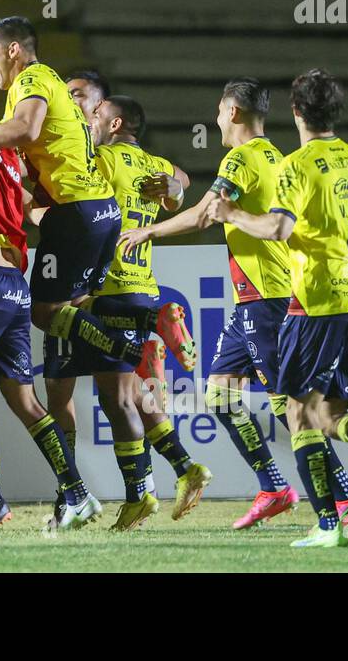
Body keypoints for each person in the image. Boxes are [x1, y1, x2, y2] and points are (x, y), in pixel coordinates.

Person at [206, 68, 348, 548]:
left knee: (296, 412)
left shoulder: (298, 165)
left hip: (315, 300)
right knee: (328, 415)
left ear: (295, 112)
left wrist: (231, 214)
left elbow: (277, 230)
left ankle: (328, 525)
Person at [0, 17, 138, 530]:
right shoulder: (54, 85)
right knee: (51, 338)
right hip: (94, 211)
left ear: (13, 50)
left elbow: (27, 129)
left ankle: (117, 343)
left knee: (43, 313)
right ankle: (72, 495)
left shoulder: (32, 81)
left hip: (77, 215)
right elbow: (43, 151)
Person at [120, 78, 303, 529]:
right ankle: (274, 486)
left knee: (292, 407)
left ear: (233, 112)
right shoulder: (278, 156)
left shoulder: (241, 157)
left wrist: (149, 231)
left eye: (220, 112)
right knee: (220, 396)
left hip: (268, 295)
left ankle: (345, 495)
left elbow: (205, 214)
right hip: (255, 299)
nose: (216, 120)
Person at [0, 90, 98, 531]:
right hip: (13, 286)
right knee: (21, 401)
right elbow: (29, 206)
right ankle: (76, 493)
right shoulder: (8, 156)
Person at [84, 94, 210, 530]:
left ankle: (140, 495)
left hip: (112, 287)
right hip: (141, 288)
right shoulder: (154, 165)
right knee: (131, 391)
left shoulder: (105, 161)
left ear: (116, 124)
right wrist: (177, 184)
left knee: (116, 398)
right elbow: (179, 179)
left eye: (97, 116)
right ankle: (184, 467)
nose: (92, 121)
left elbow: (82, 210)